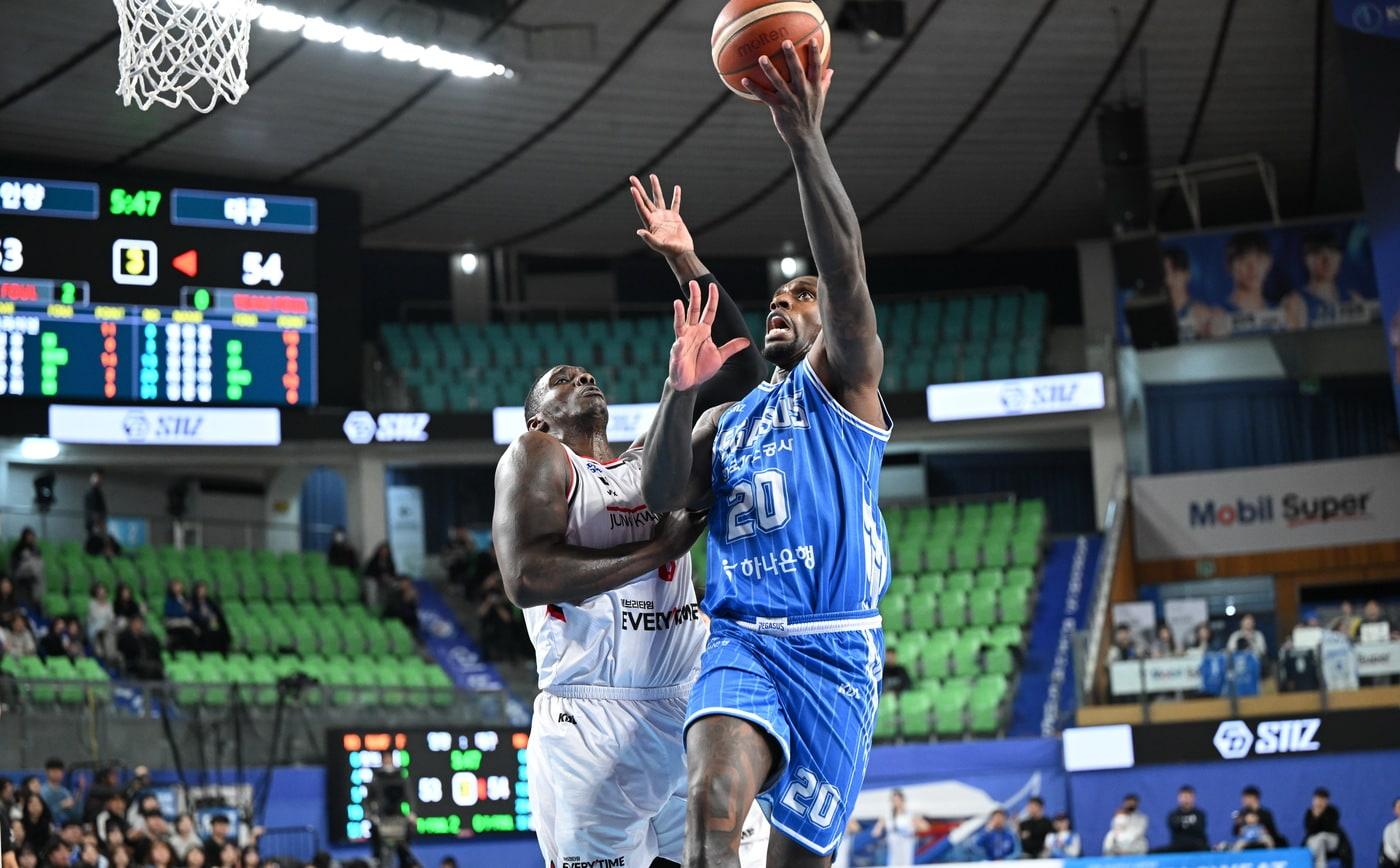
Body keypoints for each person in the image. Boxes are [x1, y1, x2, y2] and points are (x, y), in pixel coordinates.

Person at [640, 40, 892, 865]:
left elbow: (845, 269)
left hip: (835, 649)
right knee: (711, 809)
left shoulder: (844, 390)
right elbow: (663, 492)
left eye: (800, 297)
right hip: (743, 640)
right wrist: (681, 392)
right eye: (778, 296)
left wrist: (803, 139)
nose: (785, 302)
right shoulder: (733, 419)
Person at [491, 169, 761, 868]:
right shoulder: (539, 457)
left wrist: (683, 259)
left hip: (685, 703)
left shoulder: (652, 458)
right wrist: (659, 549)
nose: (581, 378)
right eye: (561, 378)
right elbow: (526, 576)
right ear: (536, 417)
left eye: (586, 373)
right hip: (589, 720)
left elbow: (738, 373)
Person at [1163, 247, 1223, 339]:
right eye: (1166, 273)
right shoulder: (1154, 318)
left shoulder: (1204, 314)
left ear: (1187, 274)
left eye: (1175, 272)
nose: (1170, 279)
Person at [1223, 232, 1279, 319]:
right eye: (1243, 259)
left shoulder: (1279, 313)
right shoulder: (1220, 314)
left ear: (1269, 262)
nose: (1252, 267)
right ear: (1229, 266)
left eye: (1259, 258)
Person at [873, 790, 922, 866]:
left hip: (906, 845)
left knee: (906, 863)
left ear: (902, 801)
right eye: (893, 800)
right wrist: (879, 828)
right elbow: (875, 832)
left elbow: (924, 827)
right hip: (893, 846)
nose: (895, 803)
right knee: (893, 863)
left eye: (897, 800)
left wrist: (915, 825)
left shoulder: (909, 815)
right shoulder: (887, 815)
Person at [1304, 788, 1343, 868]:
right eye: (1317, 799)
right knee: (1319, 842)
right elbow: (1309, 831)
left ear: (1327, 801)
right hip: (1315, 841)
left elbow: (1329, 828)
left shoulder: (1333, 812)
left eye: (1322, 800)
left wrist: (1321, 814)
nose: (1319, 802)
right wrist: (1315, 817)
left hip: (1331, 840)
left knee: (1321, 837)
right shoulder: (1309, 813)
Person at [116, 615, 164, 681]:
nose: (139, 625)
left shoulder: (145, 638)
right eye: (137, 623)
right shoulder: (125, 637)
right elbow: (125, 651)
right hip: (133, 663)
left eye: (141, 623)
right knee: (150, 669)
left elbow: (152, 650)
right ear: (132, 624)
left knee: (156, 667)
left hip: (146, 662)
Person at [189, 582, 230, 655]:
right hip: (200, 623)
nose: (202, 592)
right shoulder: (192, 602)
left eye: (204, 590)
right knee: (208, 630)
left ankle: (222, 651)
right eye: (201, 590)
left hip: (211, 622)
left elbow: (216, 612)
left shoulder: (210, 601)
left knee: (221, 630)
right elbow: (193, 614)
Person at [1165, 785, 1208, 852]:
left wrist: (1182, 824)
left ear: (1193, 798)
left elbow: (1198, 828)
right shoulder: (1173, 815)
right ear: (1179, 798)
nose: (1186, 800)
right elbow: (1174, 827)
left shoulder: (1200, 814)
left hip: (1197, 847)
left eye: (1188, 797)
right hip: (1178, 847)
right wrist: (1190, 824)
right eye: (1183, 797)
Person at [9, 528, 45, 608]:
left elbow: (40, 563)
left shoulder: (36, 549)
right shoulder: (18, 549)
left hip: (35, 580)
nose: (31, 538)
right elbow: (14, 566)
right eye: (28, 536)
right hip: (22, 580)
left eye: (32, 536)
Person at [161, 581, 198, 652]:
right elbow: (170, 612)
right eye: (176, 586)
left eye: (179, 586)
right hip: (173, 621)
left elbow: (191, 612)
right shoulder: (169, 600)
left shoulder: (185, 599)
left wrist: (188, 610)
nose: (178, 588)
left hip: (184, 621)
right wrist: (184, 611)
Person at [361, 544, 397, 610]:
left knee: (395, 585)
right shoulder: (373, 561)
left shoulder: (390, 562)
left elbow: (393, 574)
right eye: (382, 551)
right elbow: (368, 573)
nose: (384, 553)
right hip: (374, 580)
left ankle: (391, 607)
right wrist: (380, 577)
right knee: (371, 585)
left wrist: (389, 578)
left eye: (386, 551)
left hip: (386, 581)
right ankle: (372, 607)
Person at [88, 585, 117, 660]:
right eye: (100, 592)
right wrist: (105, 622)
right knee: (105, 629)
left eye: (104, 592)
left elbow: (111, 617)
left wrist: (108, 622)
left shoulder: (109, 604)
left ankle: (110, 655)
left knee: (111, 632)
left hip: (107, 626)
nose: (102, 594)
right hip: (95, 626)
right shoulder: (92, 604)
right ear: (96, 594)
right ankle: (100, 654)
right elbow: (95, 617)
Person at [1381, 797, 1400, 868]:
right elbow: (1388, 847)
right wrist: (1396, 858)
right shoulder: (1390, 828)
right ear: (1395, 810)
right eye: (1399, 807)